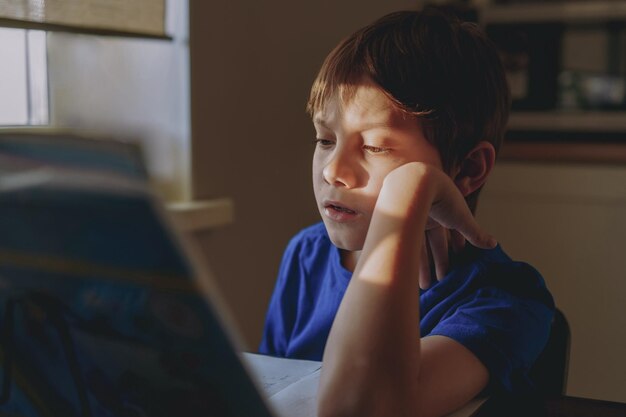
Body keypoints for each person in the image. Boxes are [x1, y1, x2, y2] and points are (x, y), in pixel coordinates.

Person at [259, 6, 554, 417]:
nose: (333, 170)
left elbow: (362, 409)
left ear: (467, 170)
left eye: (376, 147)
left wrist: (407, 192)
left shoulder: (506, 300)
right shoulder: (307, 254)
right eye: (325, 140)